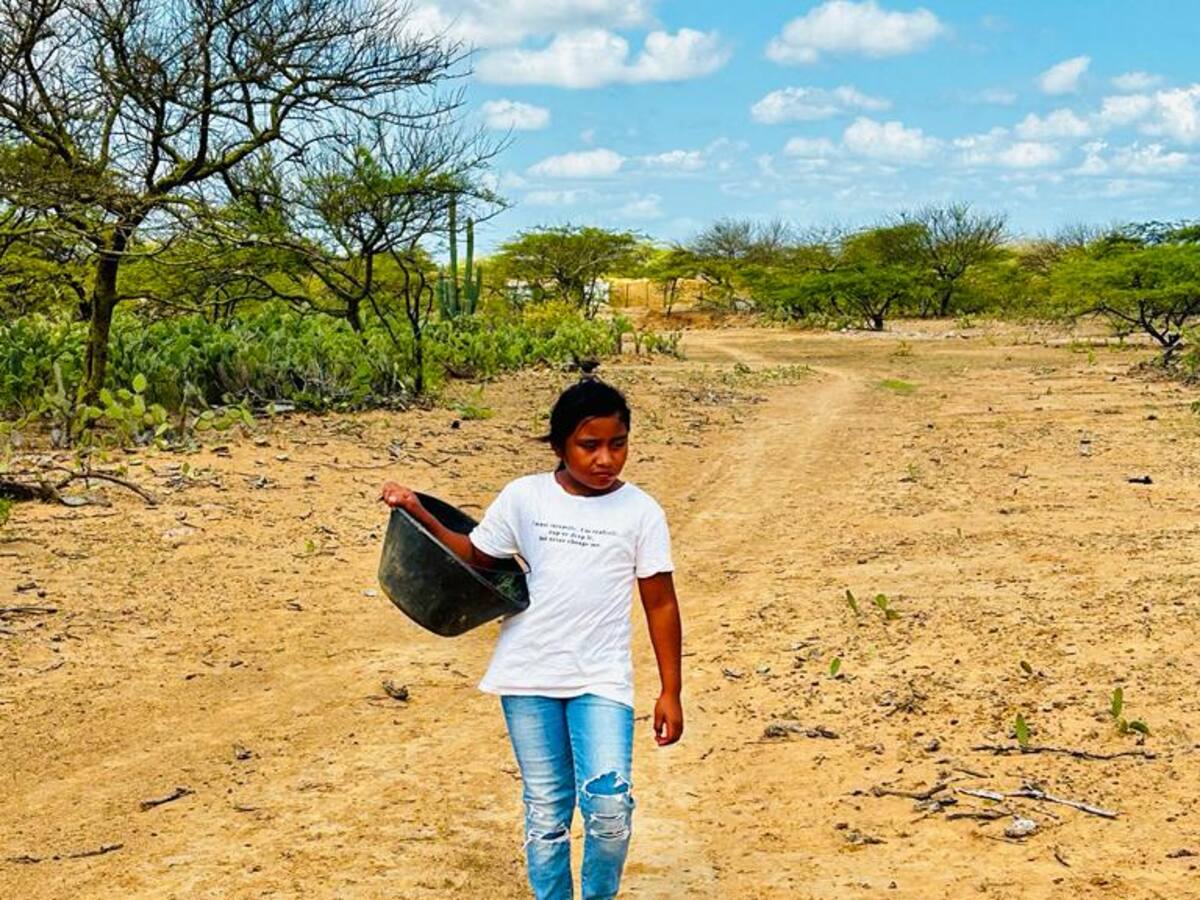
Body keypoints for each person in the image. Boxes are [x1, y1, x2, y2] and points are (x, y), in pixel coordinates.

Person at [380, 377, 683, 900]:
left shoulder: (641, 512)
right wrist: (417, 510)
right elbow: (475, 555)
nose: (606, 458)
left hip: (601, 679)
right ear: (560, 445)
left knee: (609, 808)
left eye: (618, 443)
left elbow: (660, 603)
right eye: (590, 446)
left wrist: (670, 690)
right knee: (546, 809)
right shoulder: (525, 497)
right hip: (529, 673)